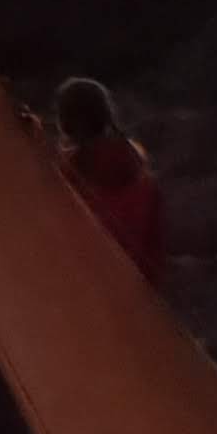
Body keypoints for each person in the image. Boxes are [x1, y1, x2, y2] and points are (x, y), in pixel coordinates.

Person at [52, 76, 166, 288]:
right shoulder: (144, 180)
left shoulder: (65, 179)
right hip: (133, 298)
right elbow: (155, 256)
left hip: (85, 292)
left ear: (68, 121)